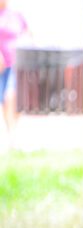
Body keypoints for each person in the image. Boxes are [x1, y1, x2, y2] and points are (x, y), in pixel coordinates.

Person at [0, 0, 28, 142]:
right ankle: (9, 129)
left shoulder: (15, 15)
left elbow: (26, 33)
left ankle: (11, 131)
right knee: (4, 97)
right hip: (1, 64)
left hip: (15, 64)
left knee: (11, 96)